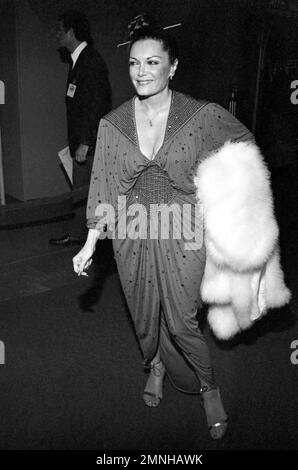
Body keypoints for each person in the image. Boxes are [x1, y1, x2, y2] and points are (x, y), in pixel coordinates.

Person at [72, 15, 290, 440]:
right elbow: (104, 186)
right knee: (142, 313)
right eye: (135, 63)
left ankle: (208, 387)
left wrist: (230, 202)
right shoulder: (112, 124)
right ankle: (153, 366)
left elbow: (243, 148)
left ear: (172, 67)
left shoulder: (201, 115)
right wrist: (90, 242)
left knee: (181, 318)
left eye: (153, 63)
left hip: (184, 227)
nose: (142, 72)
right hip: (132, 231)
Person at [50, 10, 111, 246]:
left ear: (71, 32)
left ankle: (96, 242)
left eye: (59, 30)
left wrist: (86, 141)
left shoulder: (90, 61)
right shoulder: (78, 61)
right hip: (83, 141)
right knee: (83, 192)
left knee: (88, 193)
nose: (56, 35)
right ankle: (80, 235)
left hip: (89, 143)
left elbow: (98, 104)